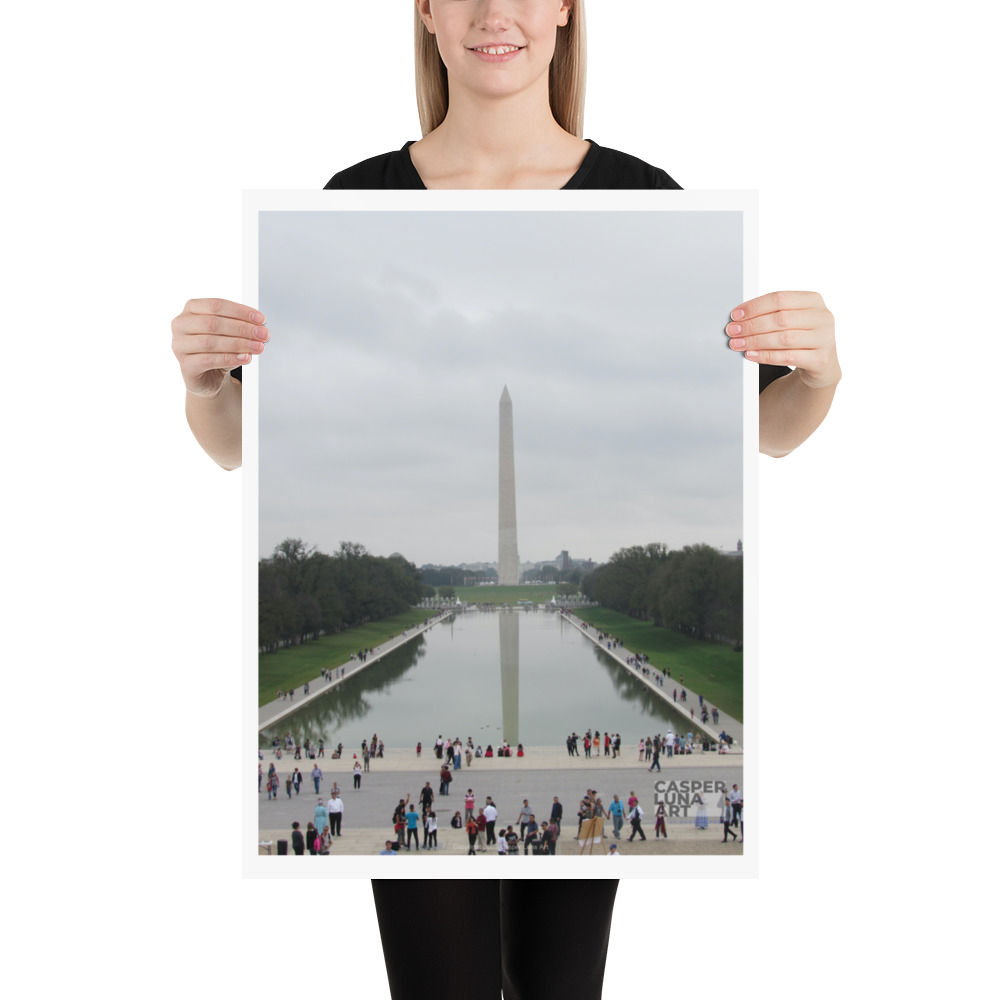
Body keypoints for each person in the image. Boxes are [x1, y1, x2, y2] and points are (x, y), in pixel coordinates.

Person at [180, 2, 839, 996]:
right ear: (426, 11)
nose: (497, 12)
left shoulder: (645, 198)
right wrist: (205, 386)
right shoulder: (351, 198)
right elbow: (241, 449)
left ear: (567, 9)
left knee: (561, 985)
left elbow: (765, 433)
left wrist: (820, 373)